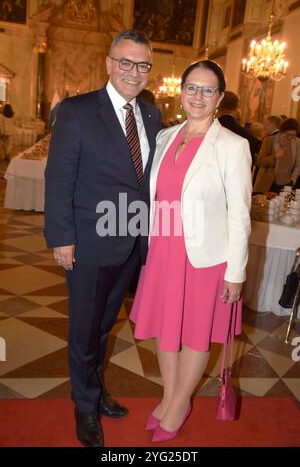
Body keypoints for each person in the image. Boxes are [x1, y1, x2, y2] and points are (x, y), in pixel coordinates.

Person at [44, 29, 161, 447]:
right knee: (83, 328)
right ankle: (85, 404)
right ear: (109, 64)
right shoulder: (76, 111)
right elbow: (59, 177)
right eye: (126, 62)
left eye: (142, 64)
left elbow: (145, 181)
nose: (134, 71)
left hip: (130, 240)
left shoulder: (151, 114)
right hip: (89, 242)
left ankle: (95, 390)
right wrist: (62, 237)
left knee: (103, 325)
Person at [130, 60, 252, 442]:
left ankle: (180, 403)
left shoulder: (232, 146)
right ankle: (169, 397)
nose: (198, 96)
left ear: (219, 98)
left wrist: (236, 272)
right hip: (164, 250)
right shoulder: (166, 137)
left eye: (207, 90)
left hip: (204, 258)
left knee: (195, 334)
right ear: (180, 91)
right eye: (191, 87)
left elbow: (240, 215)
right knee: (166, 330)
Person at [254, 118, 300, 193]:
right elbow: (259, 162)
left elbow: (298, 165)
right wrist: (275, 156)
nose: (290, 137)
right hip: (267, 184)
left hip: (286, 185)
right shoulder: (269, 141)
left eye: (293, 135)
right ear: (281, 132)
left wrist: (292, 180)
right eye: (288, 134)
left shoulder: (297, 142)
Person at [218, 90, 260, 162]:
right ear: (236, 107)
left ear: (217, 104)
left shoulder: (205, 129)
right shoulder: (246, 134)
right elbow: (252, 158)